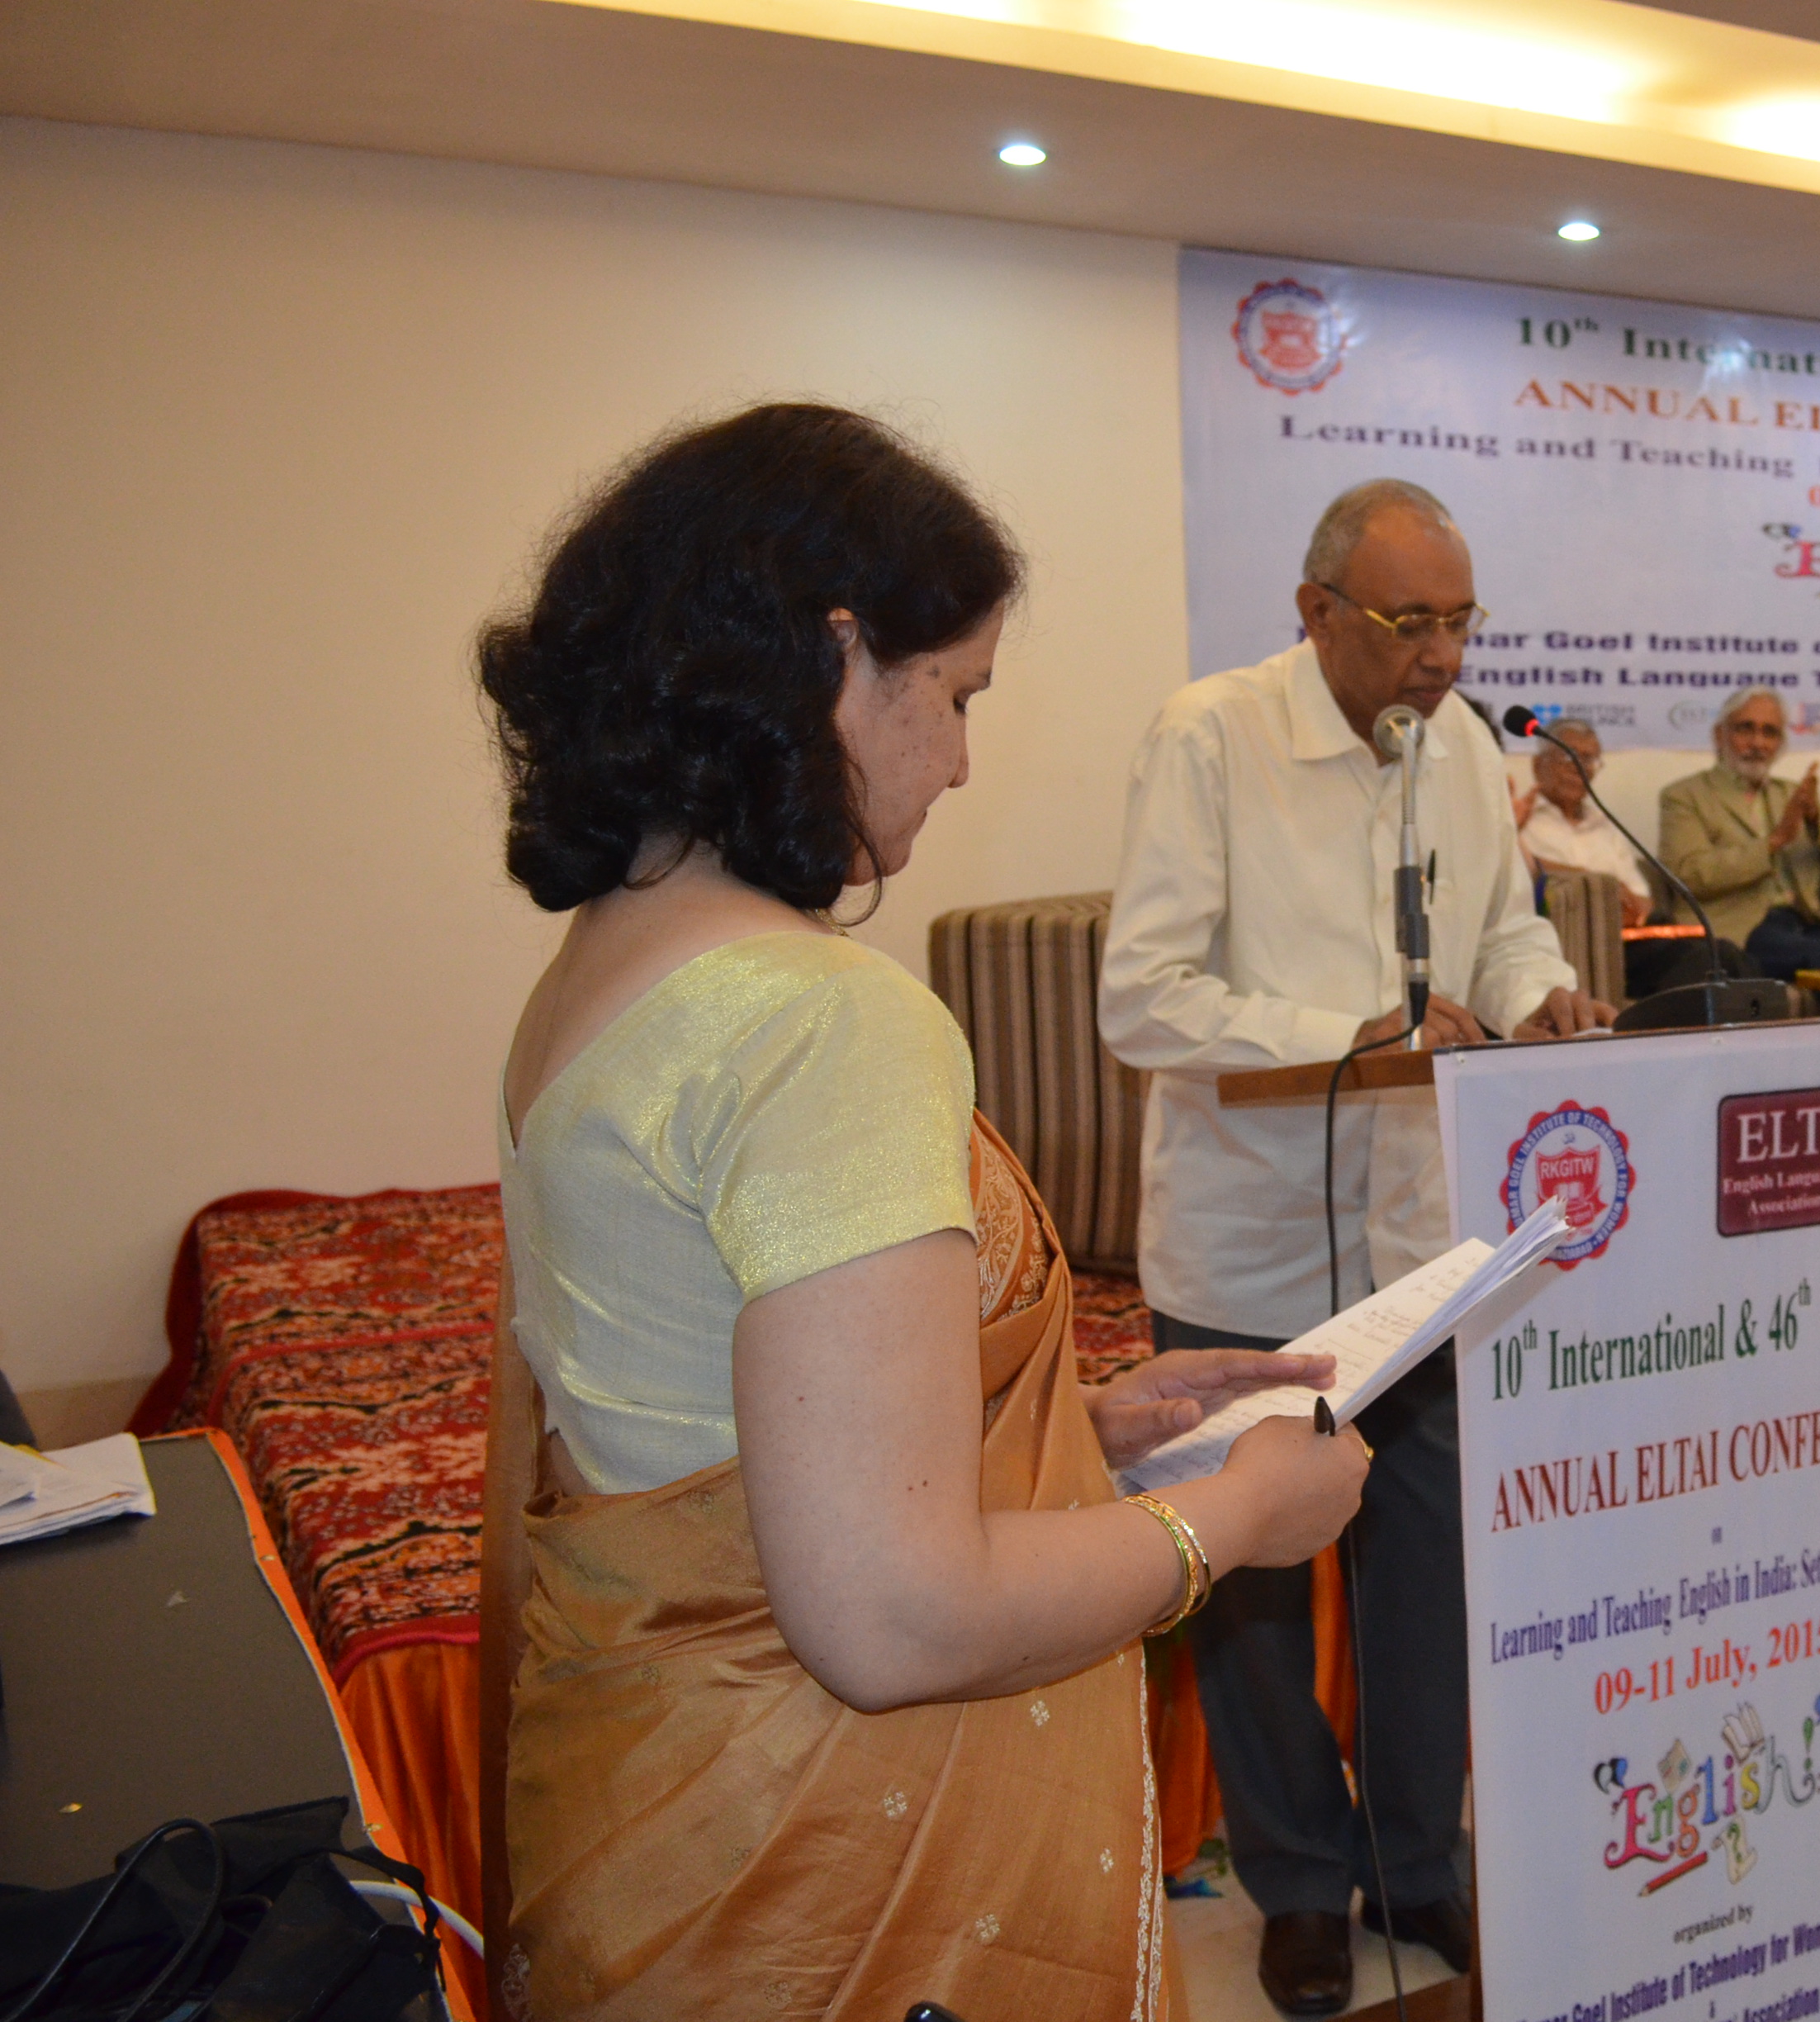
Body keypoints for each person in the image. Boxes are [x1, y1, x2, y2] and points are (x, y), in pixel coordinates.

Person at [481, 404, 1368, 2020]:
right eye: (956, 694)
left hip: (661, 1830)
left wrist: (1072, 1430)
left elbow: (696, 1416)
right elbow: (891, 1617)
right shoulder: (823, 1016)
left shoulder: (599, 966)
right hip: (829, 1869)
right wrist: (1236, 1518)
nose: (962, 758)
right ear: (836, 656)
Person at [1098, 477, 1612, 2016]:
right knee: (1251, 1586)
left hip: (1422, 1236)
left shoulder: (1459, 748)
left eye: (1461, 621)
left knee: (1422, 1563)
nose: (1440, 656)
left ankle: (1413, 1856)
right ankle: (1300, 1882)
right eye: (1409, 622)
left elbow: (1502, 931)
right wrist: (1357, 1030)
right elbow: (1144, 996)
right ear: (1316, 611)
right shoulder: (1211, 736)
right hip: (1246, 1239)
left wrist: (1538, 994)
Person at [1656, 689, 1820, 994]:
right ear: (1719, 735)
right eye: (1746, 728)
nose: (1758, 743)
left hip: (1804, 922)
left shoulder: (1788, 794)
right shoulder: (1685, 796)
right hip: (1741, 930)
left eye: (1770, 732)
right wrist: (1773, 842)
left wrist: (1815, 817)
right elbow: (1688, 874)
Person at [1519, 714, 1749, 997]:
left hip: (1623, 941)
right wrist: (1600, 885)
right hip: (1564, 943)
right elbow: (1524, 867)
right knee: (1702, 961)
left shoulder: (1606, 826)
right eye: (1568, 756)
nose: (1579, 767)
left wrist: (1633, 906)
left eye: (1589, 759)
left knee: (1724, 953)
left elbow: (1642, 898)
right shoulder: (1520, 820)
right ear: (1538, 765)